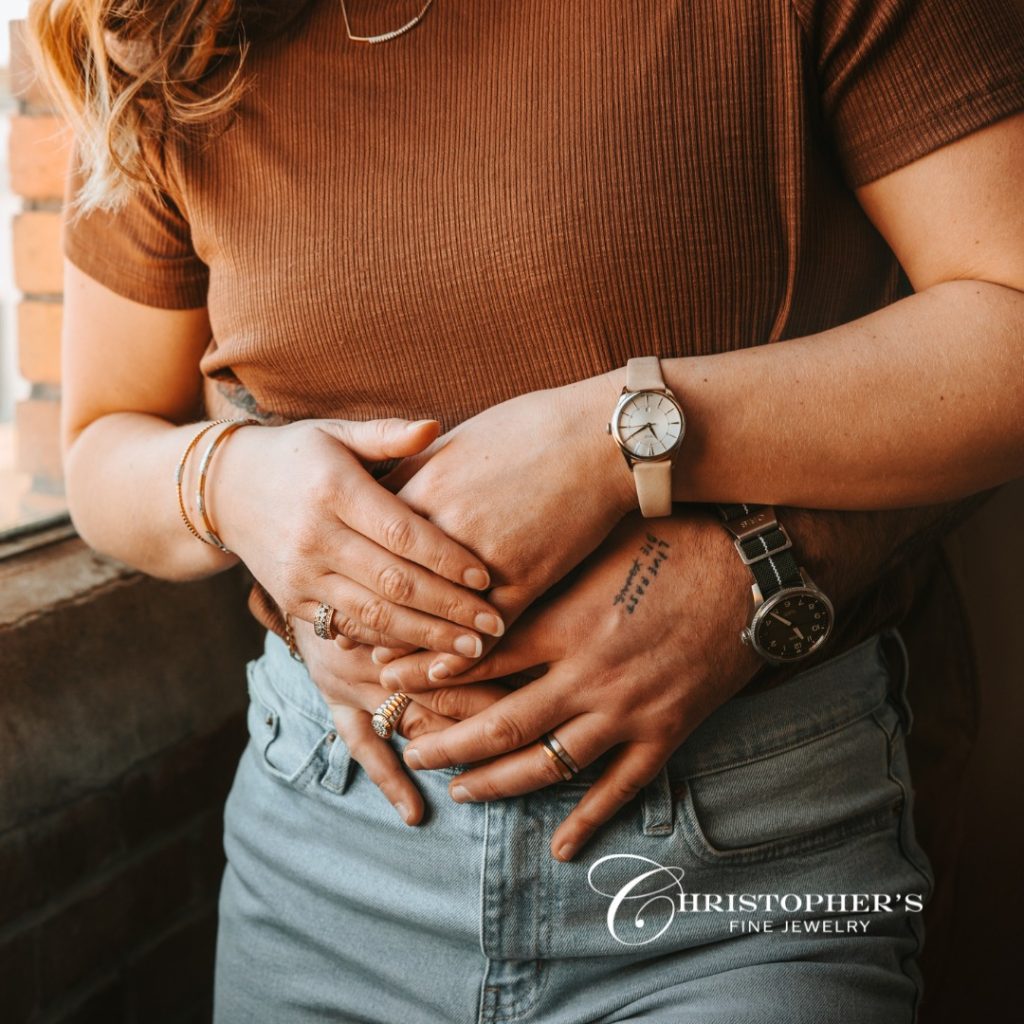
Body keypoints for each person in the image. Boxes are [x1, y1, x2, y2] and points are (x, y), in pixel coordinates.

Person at [30, 0, 1024, 1020]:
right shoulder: (162, 24)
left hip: (741, 857)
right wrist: (236, 484)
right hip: (328, 855)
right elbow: (105, 441)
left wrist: (616, 437)